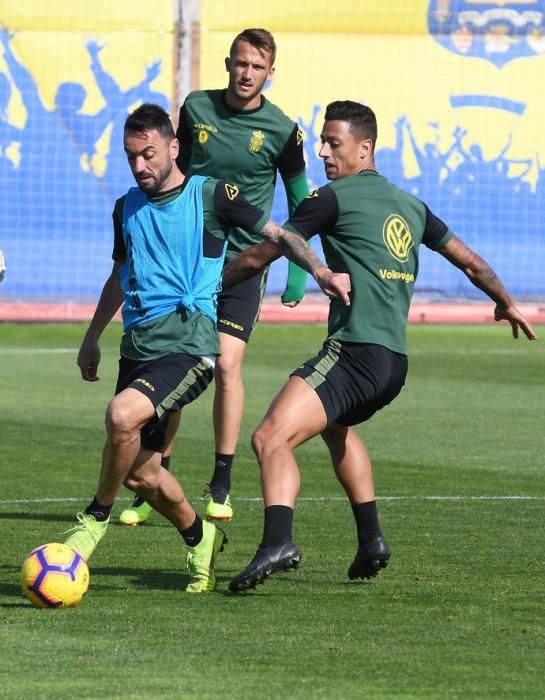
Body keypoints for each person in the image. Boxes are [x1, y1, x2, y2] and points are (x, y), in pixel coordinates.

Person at [222, 100, 538, 593]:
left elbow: (268, 250)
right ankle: (371, 540)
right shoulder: (411, 205)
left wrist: (213, 285)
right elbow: (472, 263)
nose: (323, 151)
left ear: (364, 148)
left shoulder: (330, 198)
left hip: (354, 352)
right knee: (336, 428)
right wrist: (507, 302)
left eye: (333, 143)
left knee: (269, 438)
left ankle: (278, 542)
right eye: (322, 142)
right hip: (394, 362)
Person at [59, 102, 348, 593]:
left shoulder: (210, 196)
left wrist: (318, 271)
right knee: (142, 475)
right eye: (131, 157)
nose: (140, 166)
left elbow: (280, 233)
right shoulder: (125, 207)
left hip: (191, 347)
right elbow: (120, 273)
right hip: (139, 347)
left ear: (174, 148)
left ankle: (95, 518)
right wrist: (92, 336)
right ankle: (201, 537)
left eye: (149, 154)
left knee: (120, 416)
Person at [119, 28, 310, 527]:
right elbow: (174, 173)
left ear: (271, 73)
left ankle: (221, 482)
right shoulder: (197, 108)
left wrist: (294, 271)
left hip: (246, 265)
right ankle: (156, 470)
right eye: (241, 63)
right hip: (190, 265)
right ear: (229, 63)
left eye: (257, 67)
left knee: (225, 365)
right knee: (172, 362)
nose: (247, 73)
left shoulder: (282, 129)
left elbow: (300, 199)